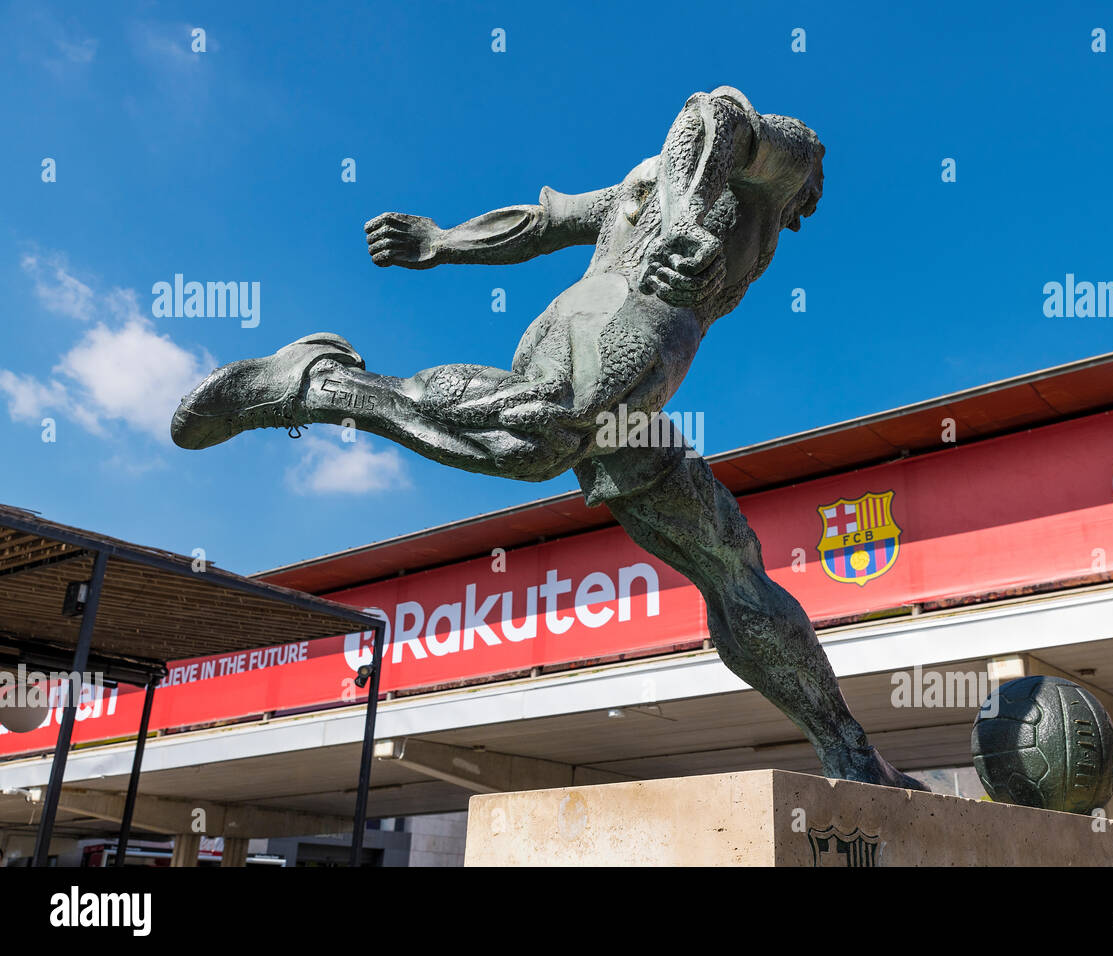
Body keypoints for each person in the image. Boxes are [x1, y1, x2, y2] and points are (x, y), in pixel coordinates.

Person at [172, 87, 927, 790]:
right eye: (809, 201)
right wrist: (693, 219)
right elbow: (717, 110)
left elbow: (540, 225)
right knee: (550, 423)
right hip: (605, 336)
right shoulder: (787, 164)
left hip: (634, 387)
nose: (805, 212)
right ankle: (309, 385)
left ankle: (853, 756)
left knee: (729, 565)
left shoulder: (646, 185)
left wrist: (441, 241)